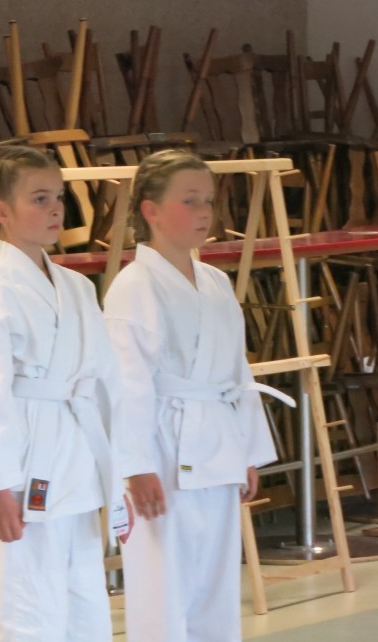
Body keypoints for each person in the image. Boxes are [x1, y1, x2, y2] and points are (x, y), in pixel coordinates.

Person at [103, 150, 290, 641]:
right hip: (161, 448)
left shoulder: (215, 281)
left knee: (216, 580)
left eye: (208, 201)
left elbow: (236, 370)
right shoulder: (133, 286)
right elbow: (126, 383)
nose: (204, 212)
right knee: (162, 581)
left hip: (217, 443)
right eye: (189, 201)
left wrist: (247, 451)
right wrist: (135, 466)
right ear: (151, 210)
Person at [0, 145, 128, 641]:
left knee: (83, 603)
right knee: (23, 607)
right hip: (22, 467)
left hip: (76, 459)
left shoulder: (76, 287)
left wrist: (119, 469)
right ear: (0, 211)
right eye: (39, 199)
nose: (55, 209)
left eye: (59, 197)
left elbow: (104, 381)